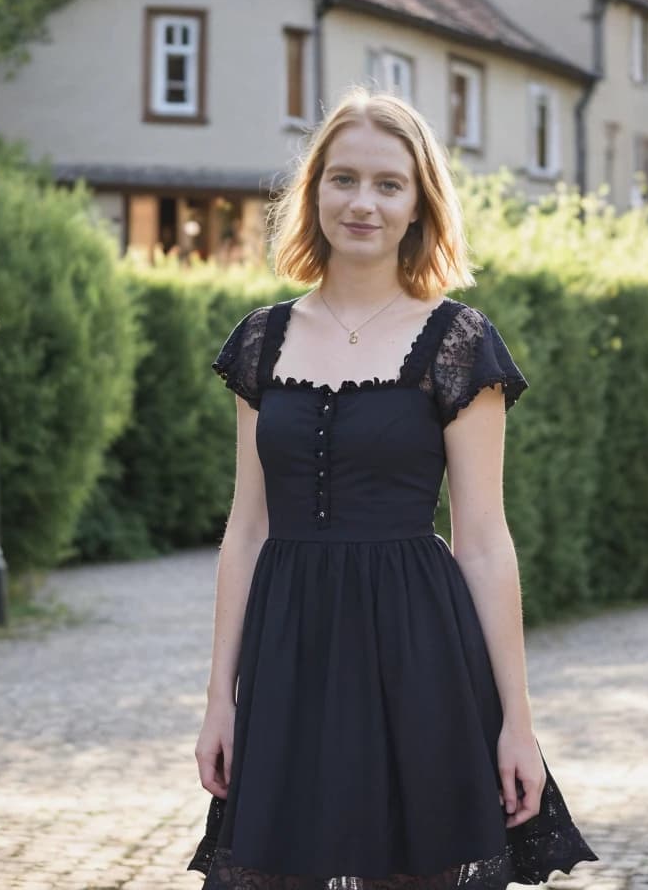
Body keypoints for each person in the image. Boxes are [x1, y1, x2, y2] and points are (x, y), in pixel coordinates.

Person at [187, 85, 598, 889]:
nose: (363, 203)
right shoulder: (261, 341)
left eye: (388, 184)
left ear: (419, 204)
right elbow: (245, 530)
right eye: (343, 179)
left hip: (419, 650)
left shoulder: (458, 343)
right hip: (288, 651)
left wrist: (519, 723)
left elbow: (483, 540)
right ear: (314, 194)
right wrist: (218, 701)